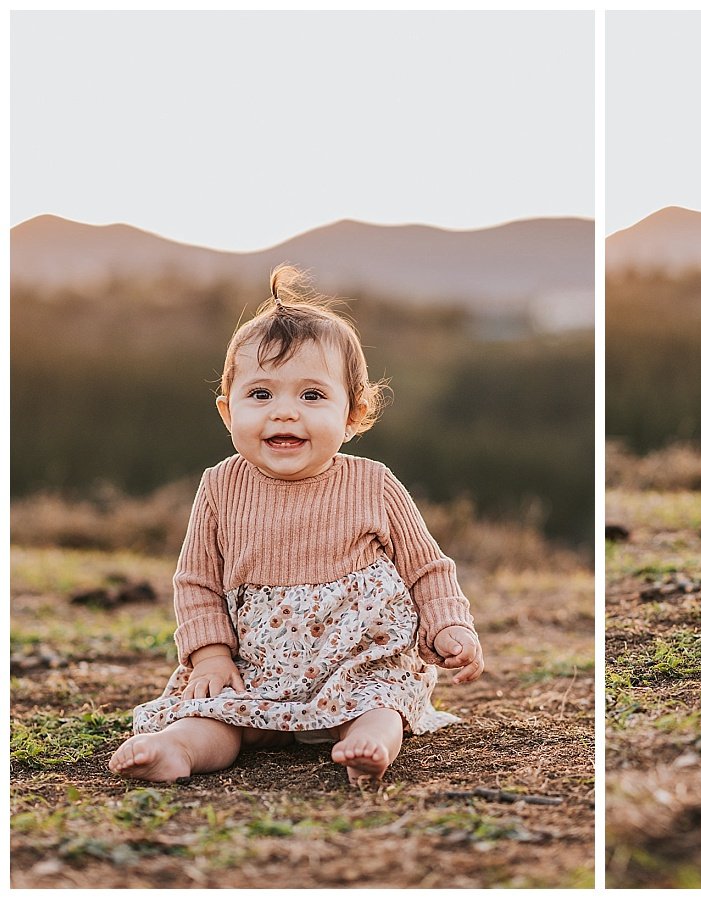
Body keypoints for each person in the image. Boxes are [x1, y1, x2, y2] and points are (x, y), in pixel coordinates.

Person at [110, 265, 484, 785]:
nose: (284, 413)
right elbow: (196, 583)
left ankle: (367, 745)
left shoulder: (373, 483)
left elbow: (427, 568)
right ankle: (177, 751)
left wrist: (448, 625)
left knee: (380, 704)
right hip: (255, 668)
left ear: (353, 415)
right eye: (261, 395)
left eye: (312, 396)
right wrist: (213, 657)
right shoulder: (221, 486)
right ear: (227, 412)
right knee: (214, 715)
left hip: (357, 663)